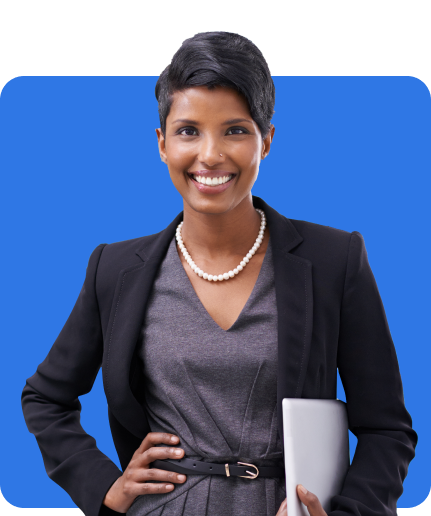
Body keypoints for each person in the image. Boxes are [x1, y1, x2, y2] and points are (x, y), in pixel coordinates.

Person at [21, 32, 417, 516]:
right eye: (188, 130)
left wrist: (347, 513)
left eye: (235, 130)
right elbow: (45, 397)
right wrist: (103, 485)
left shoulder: (335, 260)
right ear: (162, 143)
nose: (210, 155)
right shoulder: (116, 268)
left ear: (266, 140)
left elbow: (387, 430)